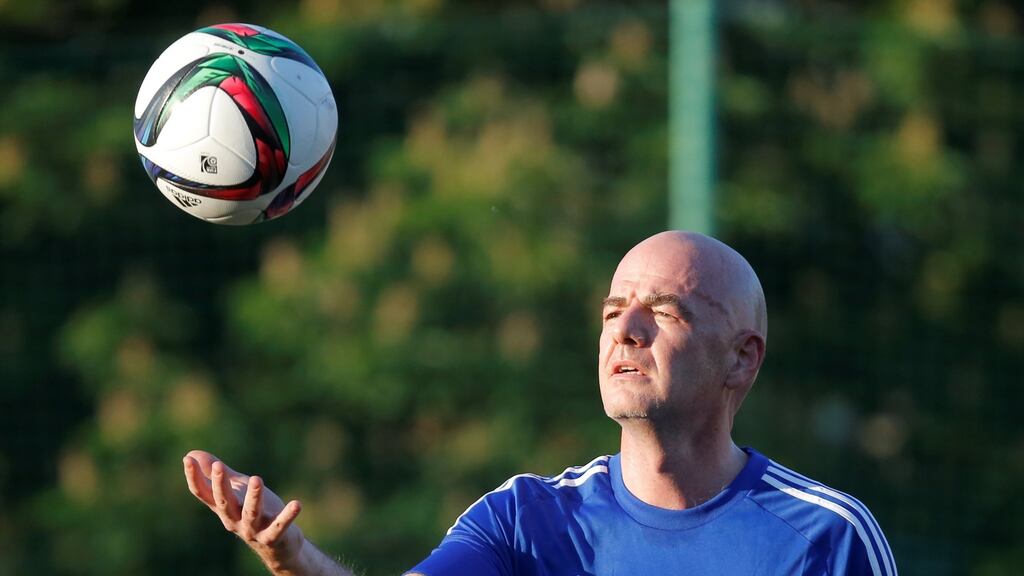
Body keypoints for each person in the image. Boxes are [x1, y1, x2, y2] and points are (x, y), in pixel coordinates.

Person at [183, 230, 897, 576]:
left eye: (666, 311)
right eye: (614, 309)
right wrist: (295, 555)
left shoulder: (826, 538)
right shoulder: (524, 521)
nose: (626, 328)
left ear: (743, 358)